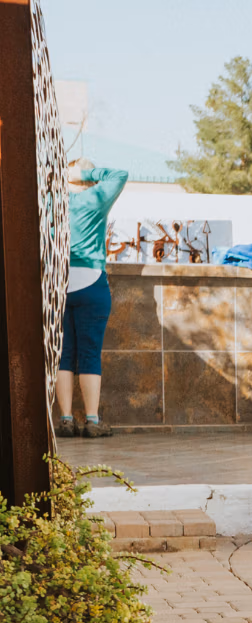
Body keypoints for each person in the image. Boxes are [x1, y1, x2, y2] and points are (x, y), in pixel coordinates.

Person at [59, 159, 128, 438]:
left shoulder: (55, 201)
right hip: (91, 283)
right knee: (89, 354)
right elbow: (119, 172)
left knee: (63, 355)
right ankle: (92, 421)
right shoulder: (96, 198)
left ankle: (64, 419)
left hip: (59, 283)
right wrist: (85, 173)